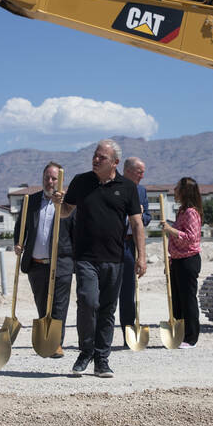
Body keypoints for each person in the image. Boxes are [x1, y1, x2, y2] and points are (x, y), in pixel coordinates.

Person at [60, 140, 146, 378]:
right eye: (95, 156)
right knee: (88, 301)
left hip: (116, 258)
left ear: (115, 163)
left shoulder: (128, 187)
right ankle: (85, 351)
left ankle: (102, 359)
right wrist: (60, 204)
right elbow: (67, 210)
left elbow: (137, 223)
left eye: (102, 158)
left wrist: (142, 257)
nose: (96, 160)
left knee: (108, 309)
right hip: (86, 256)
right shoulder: (81, 181)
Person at [13, 161, 74, 358]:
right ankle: (45, 339)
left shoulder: (69, 203)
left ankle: (57, 343)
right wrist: (18, 243)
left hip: (62, 262)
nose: (50, 181)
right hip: (37, 264)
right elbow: (20, 226)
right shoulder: (31, 200)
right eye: (47, 177)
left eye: (54, 178)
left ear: (60, 180)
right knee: (42, 303)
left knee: (59, 304)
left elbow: (77, 231)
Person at [162, 176, 203, 348]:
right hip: (177, 260)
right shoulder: (181, 212)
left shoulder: (191, 213)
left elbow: (192, 238)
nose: (174, 190)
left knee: (188, 299)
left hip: (189, 260)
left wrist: (170, 230)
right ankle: (180, 334)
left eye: (177, 188)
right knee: (177, 300)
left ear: (185, 191)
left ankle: (191, 337)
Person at [118, 157, 151, 339]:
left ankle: (128, 335)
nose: (142, 176)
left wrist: (139, 214)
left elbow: (146, 218)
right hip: (111, 244)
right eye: (139, 172)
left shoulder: (141, 191)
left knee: (128, 293)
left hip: (130, 245)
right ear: (128, 171)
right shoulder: (114, 186)